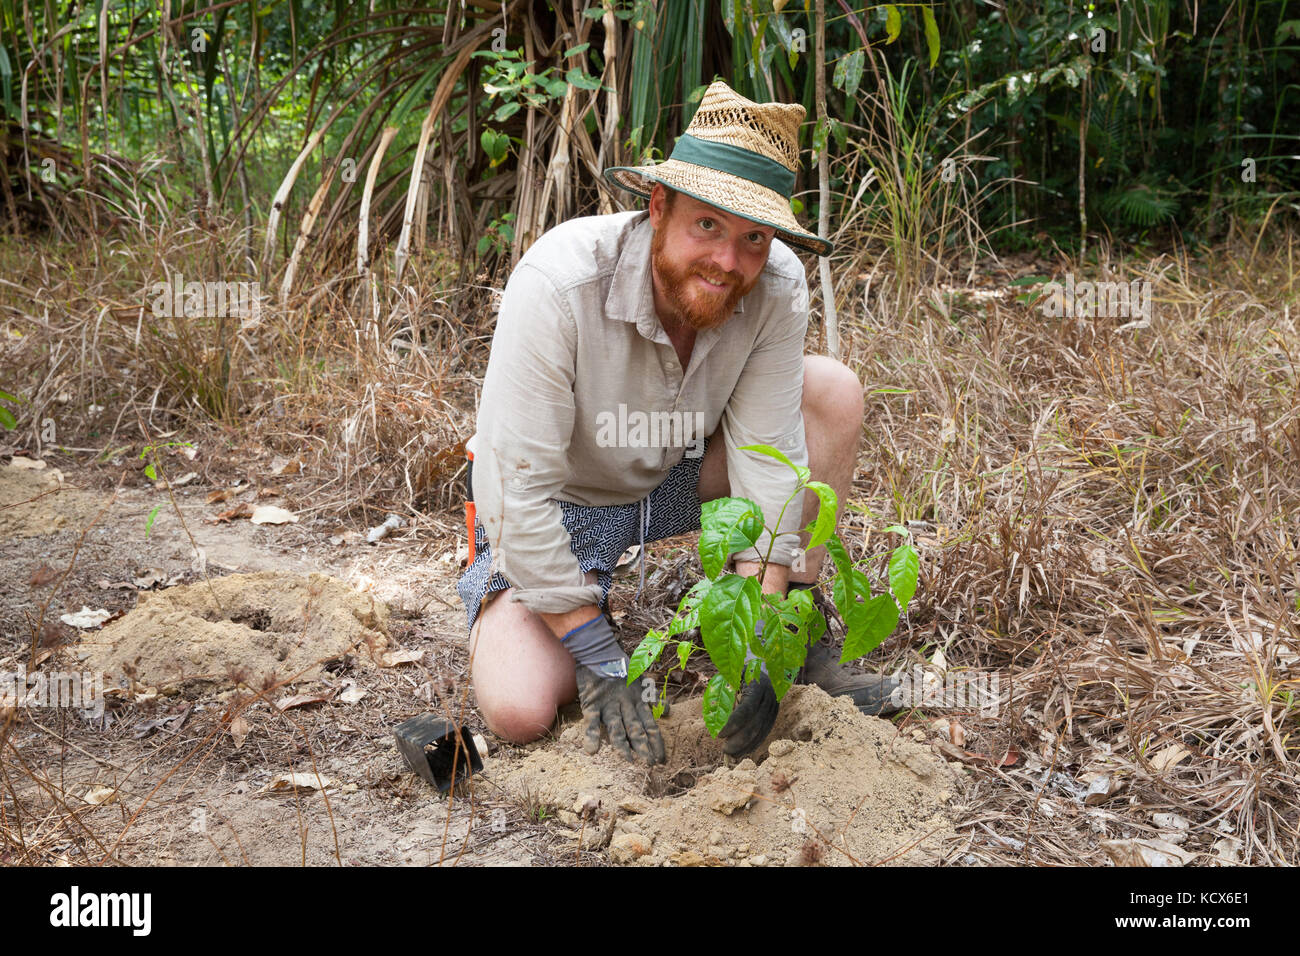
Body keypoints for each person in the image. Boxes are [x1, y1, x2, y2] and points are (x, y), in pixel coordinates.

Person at [457, 80, 897, 766]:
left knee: (831, 392)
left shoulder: (775, 285)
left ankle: (802, 644)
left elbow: (769, 458)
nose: (728, 262)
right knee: (519, 709)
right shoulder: (560, 281)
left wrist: (762, 625)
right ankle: (561, 606)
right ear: (658, 207)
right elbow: (514, 490)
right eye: (708, 226)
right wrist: (596, 651)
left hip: (672, 474)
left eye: (753, 237)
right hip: (562, 500)